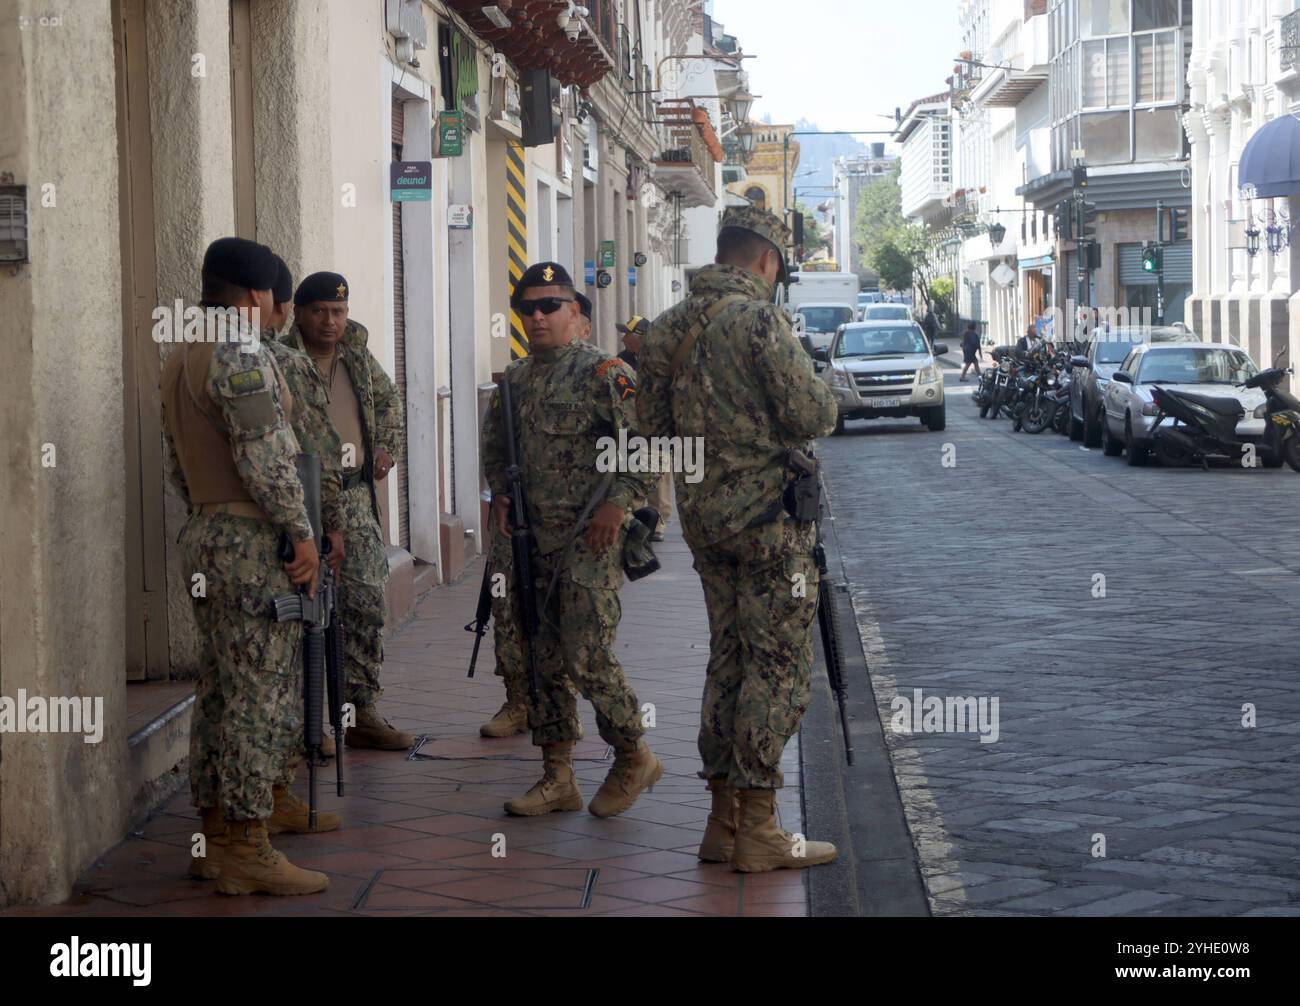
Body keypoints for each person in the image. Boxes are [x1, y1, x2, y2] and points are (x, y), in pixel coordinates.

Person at [638, 206, 839, 873]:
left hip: (705, 526)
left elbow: (652, 429)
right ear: (767, 263)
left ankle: (720, 823)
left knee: (727, 658)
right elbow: (813, 413)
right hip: (770, 528)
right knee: (776, 666)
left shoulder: (666, 329)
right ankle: (758, 826)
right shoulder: (761, 322)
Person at [160, 236, 328, 896]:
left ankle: (214, 838)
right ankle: (249, 846)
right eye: (273, 301)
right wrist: (300, 531)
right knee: (258, 694)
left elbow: (178, 464)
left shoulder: (182, 354)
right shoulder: (240, 350)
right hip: (250, 540)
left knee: (222, 690)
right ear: (257, 297)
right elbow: (267, 456)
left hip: (207, 528)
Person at [481, 262, 661, 818]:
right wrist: (500, 494)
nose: (536, 316)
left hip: (590, 537)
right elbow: (495, 453)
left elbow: (647, 447)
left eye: (549, 306)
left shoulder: (606, 373)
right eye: (527, 308)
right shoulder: (514, 380)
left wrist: (619, 502)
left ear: (576, 316)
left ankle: (633, 752)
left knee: (586, 654)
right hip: (529, 540)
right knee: (538, 656)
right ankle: (557, 774)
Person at [276, 272, 413, 752]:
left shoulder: (356, 354)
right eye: (319, 312)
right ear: (299, 312)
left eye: (338, 312)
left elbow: (391, 401)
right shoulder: (282, 358)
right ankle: (304, 724)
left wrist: (388, 448)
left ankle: (359, 713)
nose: (330, 321)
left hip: (354, 499)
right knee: (302, 611)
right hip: (300, 498)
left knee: (363, 603)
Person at [618, 315, 673, 542]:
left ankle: (658, 522)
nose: (623, 338)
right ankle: (637, 520)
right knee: (632, 470)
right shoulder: (619, 361)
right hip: (630, 426)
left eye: (627, 333)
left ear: (639, 337)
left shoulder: (660, 359)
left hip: (656, 426)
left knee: (659, 474)